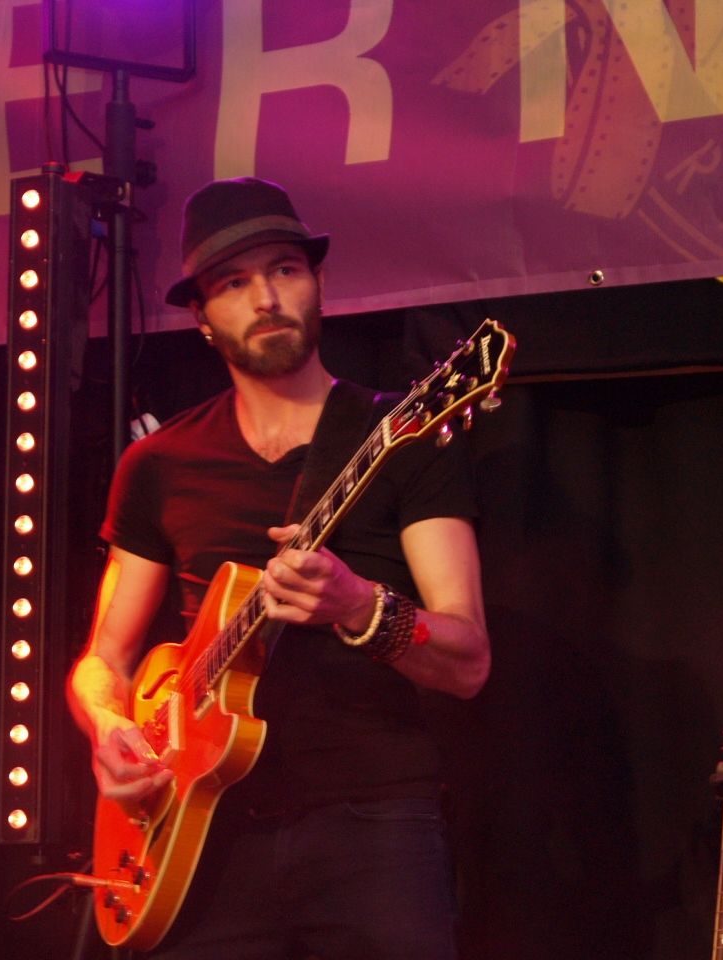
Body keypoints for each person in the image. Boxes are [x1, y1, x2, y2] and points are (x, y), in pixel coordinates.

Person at [68, 177, 489, 959]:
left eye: (284, 270)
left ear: (317, 282)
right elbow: (105, 660)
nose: (265, 298)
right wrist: (111, 725)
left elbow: (467, 662)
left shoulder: (404, 437)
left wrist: (359, 605)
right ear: (201, 316)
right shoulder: (157, 464)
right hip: (202, 838)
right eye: (233, 283)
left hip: (374, 828)